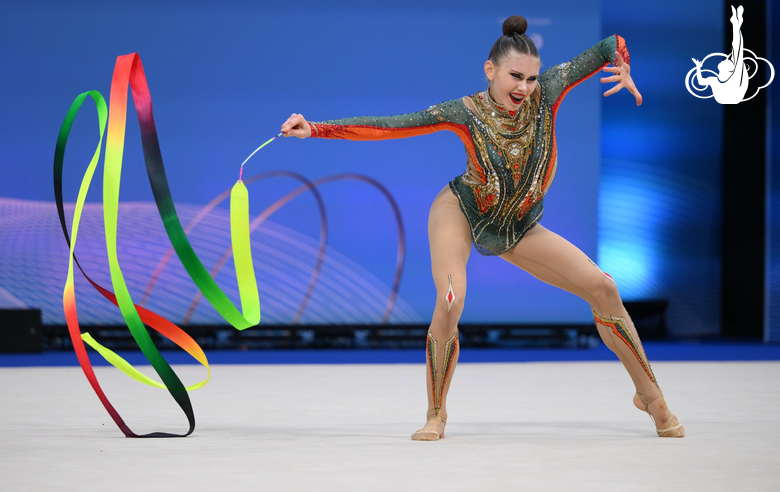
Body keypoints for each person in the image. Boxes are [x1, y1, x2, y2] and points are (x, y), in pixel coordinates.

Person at [281, 15, 684, 440]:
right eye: (515, 76)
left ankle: (651, 398)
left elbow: (611, 42)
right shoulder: (465, 112)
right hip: (461, 209)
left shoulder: (547, 93)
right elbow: (392, 125)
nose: (524, 88)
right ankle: (436, 413)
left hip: (517, 225)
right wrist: (317, 129)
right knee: (452, 300)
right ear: (490, 70)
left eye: (530, 78)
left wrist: (623, 62)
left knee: (603, 287)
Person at [692, 5, 748, 104]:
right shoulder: (717, 80)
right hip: (731, 96)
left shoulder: (718, 80)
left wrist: (698, 68)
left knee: (737, 51)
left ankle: (736, 24)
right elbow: (738, 50)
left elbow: (737, 49)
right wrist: (698, 67)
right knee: (737, 52)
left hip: (732, 95)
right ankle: (736, 24)